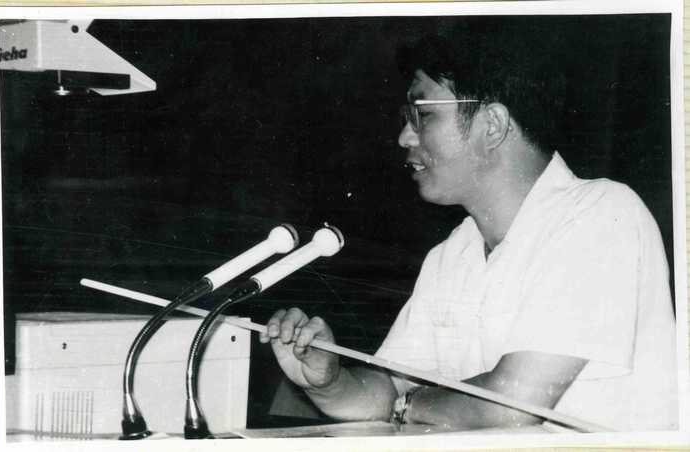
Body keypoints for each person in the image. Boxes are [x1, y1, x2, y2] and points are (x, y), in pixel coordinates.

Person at [259, 29, 678, 432]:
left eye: (423, 115)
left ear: (492, 124)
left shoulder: (601, 214)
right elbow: (387, 389)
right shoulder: (452, 253)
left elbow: (513, 405)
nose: (404, 137)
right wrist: (329, 383)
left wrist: (405, 406)